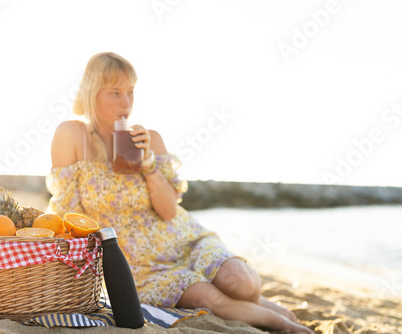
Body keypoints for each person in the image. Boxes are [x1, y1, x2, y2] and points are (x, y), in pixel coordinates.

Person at [46, 51, 313, 333]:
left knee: (240, 281)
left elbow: (169, 211)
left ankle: (257, 300)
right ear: (92, 93)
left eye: (130, 92)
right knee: (209, 298)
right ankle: (277, 321)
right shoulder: (72, 135)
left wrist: (148, 162)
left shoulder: (149, 138)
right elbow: (68, 214)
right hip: (133, 261)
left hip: (179, 237)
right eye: (115, 93)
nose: (126, 102)